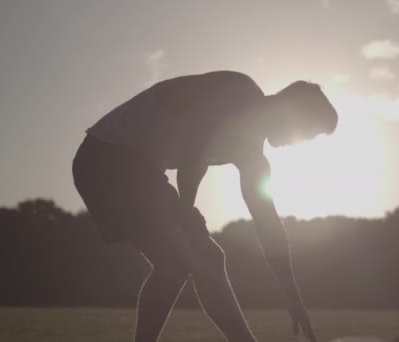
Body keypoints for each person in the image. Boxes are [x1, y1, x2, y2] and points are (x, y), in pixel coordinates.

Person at [72, 70, 338, 342]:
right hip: (105, 158)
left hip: (138, 169)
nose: (300, 142)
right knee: (176, 261)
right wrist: (186, 212)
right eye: (307, 133)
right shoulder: (238, 90)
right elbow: (194, 150)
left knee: (209, 260)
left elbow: (268, 223)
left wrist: (292, 296)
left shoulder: (253, 157)